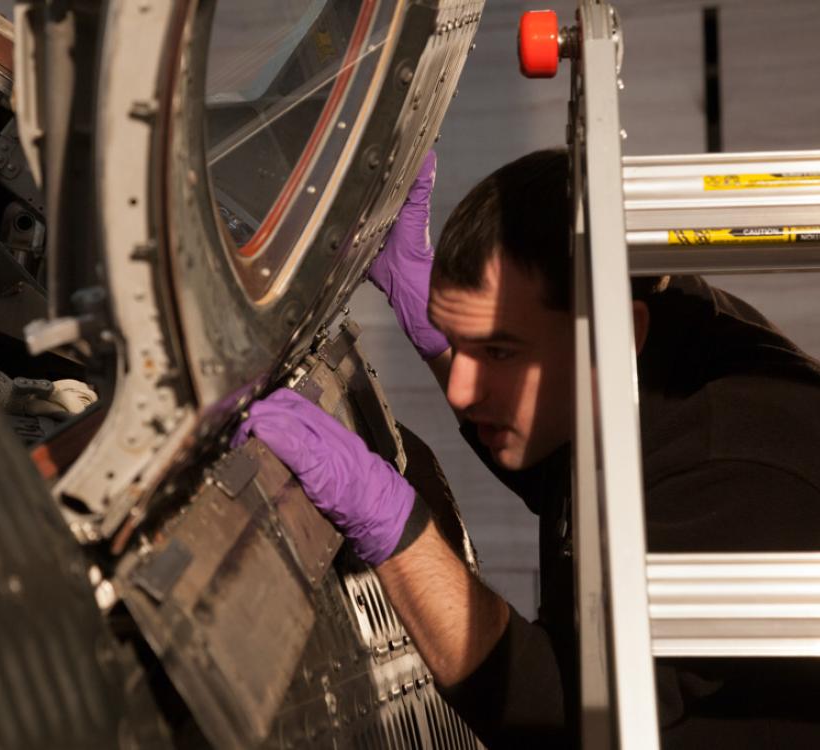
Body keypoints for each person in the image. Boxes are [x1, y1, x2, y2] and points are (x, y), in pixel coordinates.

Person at [234, 149, 820, 748]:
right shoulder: (647, 335)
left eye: (500, 351)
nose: (460, 390)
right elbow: (562, 460)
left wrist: (390, 520)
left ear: (620, 335)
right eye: (461, 343)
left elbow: (558, 716)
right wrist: (425, 303)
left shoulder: (726, 472)